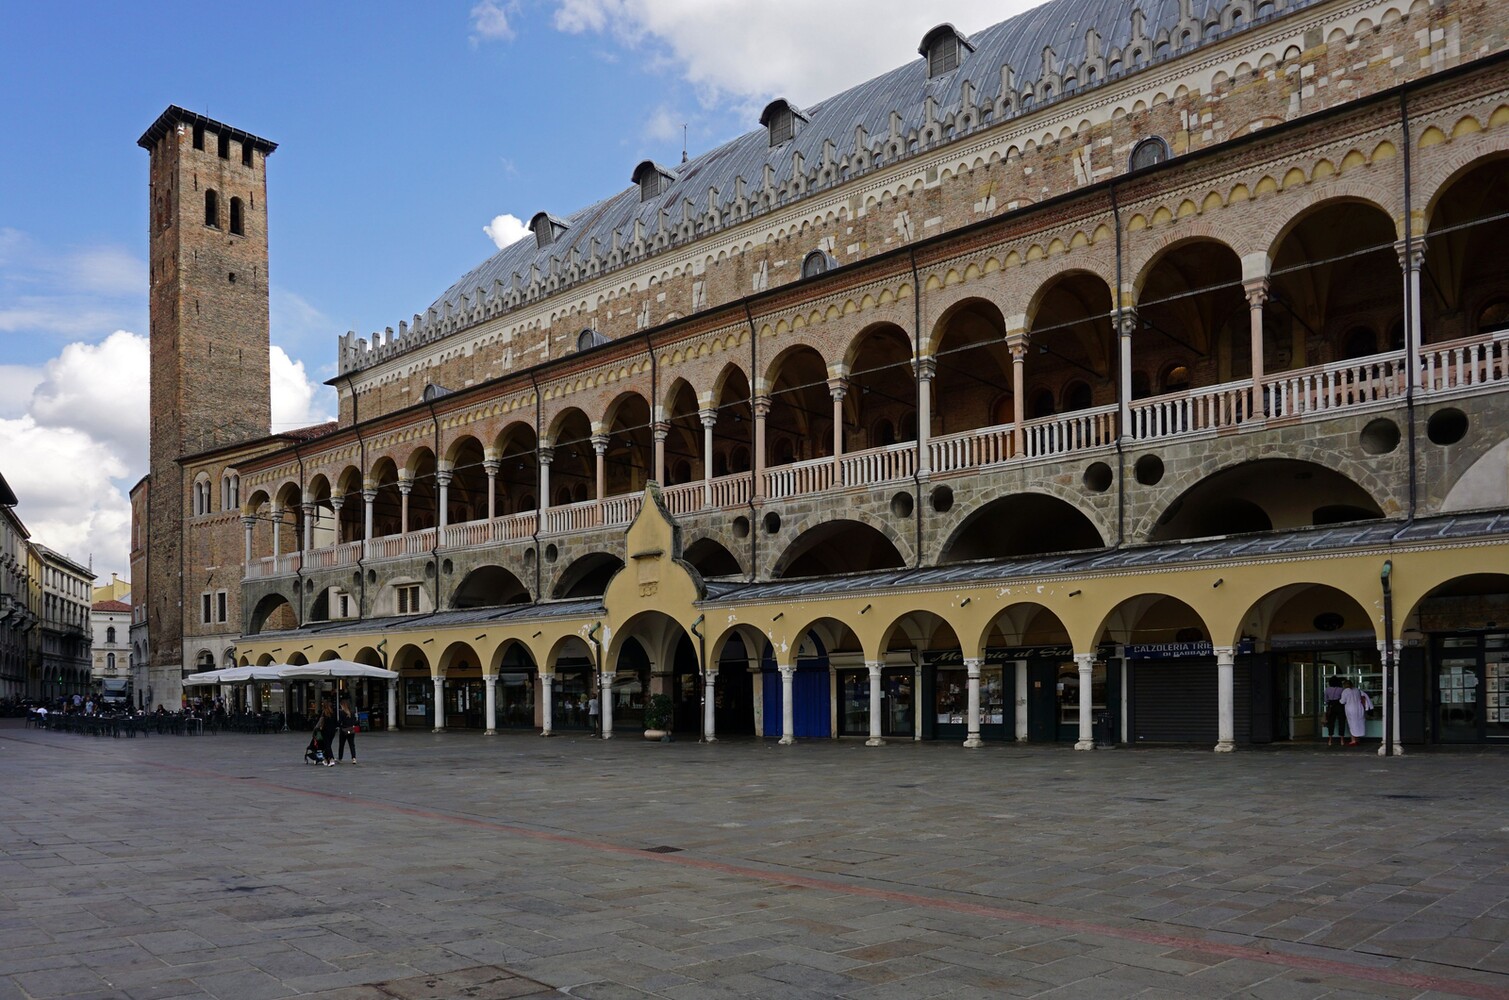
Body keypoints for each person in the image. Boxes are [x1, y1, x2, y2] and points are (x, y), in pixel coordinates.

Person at [1340, 679, 1373, 746]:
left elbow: (1342, 701)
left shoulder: (1345, 691)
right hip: (1359, 708)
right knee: (1359, 723)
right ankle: (1358, 739)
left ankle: (1353, 740)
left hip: (1350, 709)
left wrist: (1339, 700)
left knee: (1352, 724)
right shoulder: (1357, 690)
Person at [1323, 675, 1346, 746]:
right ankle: (1342, 740)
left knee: (1331, 723)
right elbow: (1343, 699)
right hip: (1339, 705)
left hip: (1331, 706)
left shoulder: (1327, 689)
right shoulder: (1341, 689)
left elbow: (1325, 700)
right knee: (1341, 722)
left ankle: (1330, 740)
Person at [336, 698, 358, 764]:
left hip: (344, 731)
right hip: (351, 730)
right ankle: (354, 758)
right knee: (352, 745)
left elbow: (339, 722)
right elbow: (355, 722)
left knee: (341, 745)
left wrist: (338, 725)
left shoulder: (341, 712)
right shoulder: (352, 712)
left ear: (343, 705)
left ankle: (340, 758)